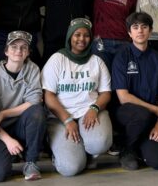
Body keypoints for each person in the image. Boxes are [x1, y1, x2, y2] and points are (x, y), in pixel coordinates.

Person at [42, 18, 112, 177]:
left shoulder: (97, 61)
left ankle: (87, 150)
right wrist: (67, 120)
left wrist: (94, 108)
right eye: (77, 34)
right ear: (70, 37)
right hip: (61, 118)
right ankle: (60, 152)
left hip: (89, 113)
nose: (82, 39)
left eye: (86, 35)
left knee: (100, 143)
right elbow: (49, 96)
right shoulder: (57, 59)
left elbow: (106, 93)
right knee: (70, 168)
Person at [0, 31, 46, 182]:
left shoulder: (33, 69)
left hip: (21, 126)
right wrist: (8, 140)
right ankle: (4, 155)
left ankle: (31, 162)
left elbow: (35, 101)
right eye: (14, 46)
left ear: (28, 52)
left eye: (24, 47)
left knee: (37, 112)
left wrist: (3, 114)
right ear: (6, 51)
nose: (18, 50)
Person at [111, 12, 158, 170]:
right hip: (127, 115)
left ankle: (139, 146)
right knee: (142, 114)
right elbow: (123, 97)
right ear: (129, 33)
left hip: (152, 117)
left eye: (144, 27)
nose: (140, 31)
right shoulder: (121, 57)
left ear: (150, 31)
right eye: (135, 27)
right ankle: (126, 148)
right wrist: (156, 110)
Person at [92, 0, 138, 69]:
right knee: (100, 76)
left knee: (121, 76)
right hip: (100, 41)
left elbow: (131, 19)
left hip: (123, 42)